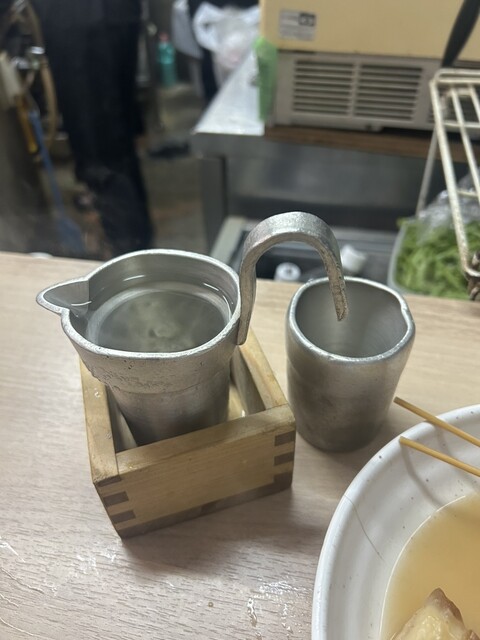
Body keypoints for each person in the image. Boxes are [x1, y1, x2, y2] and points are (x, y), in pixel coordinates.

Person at [30, 0, 154, 255]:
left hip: (81, 22)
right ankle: (136, 237)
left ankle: (126, 250)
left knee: (100, 147)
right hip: (114, 14)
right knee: (116, 136)